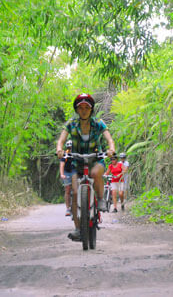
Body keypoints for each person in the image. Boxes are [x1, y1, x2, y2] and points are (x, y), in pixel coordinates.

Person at [56, 93, 116, 242]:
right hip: (77, 162)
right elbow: (61, 140)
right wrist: (59, 149)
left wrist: (111, 149)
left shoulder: (98, 123)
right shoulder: (71, 124)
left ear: (91, 109)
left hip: (96, 160)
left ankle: (101, 199)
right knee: (75, 194)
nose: (83, 110)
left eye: (86, 107)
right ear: (77, 110)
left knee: (96, 173)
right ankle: (78, 229)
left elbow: (109, 139)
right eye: (80, 107)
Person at [60, 140, 74, 217]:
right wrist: (62, 174)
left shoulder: (76, 153)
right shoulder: (65, 154)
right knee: (67, 189)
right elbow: (62, 165)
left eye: (71, 147)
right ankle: (68, 208)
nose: (70, 148)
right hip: (67, 172)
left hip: (75, 171)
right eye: (69, 147)